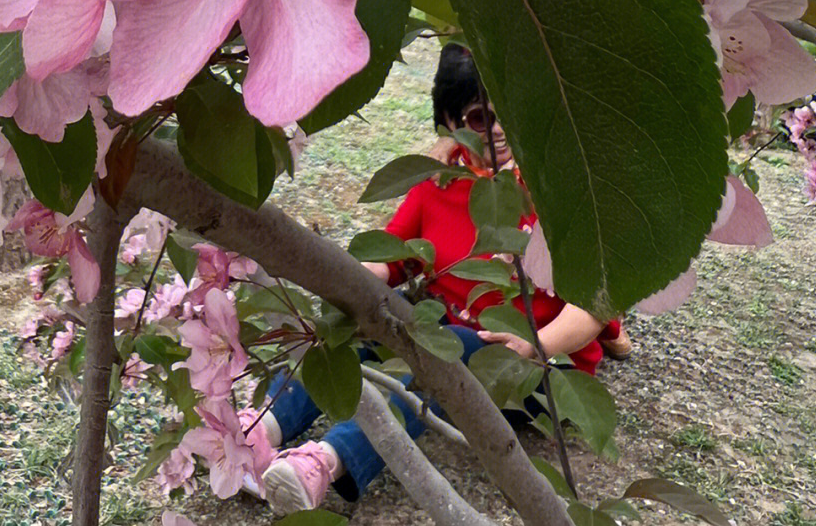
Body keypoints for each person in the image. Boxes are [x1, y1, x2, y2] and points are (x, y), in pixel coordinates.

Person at [251, 43, 617, 515]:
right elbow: (391, 258)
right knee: (367, 319)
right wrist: (351, 289)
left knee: (452, 347)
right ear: (450, 122)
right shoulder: (437, 184)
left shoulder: (559, 188)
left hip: (537, 366)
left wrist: (534, 346)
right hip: (446, 335)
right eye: (482, 117)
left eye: (513, 112)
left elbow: (595, 306)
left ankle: (324, 461)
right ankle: (260, 429)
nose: (502, 129)